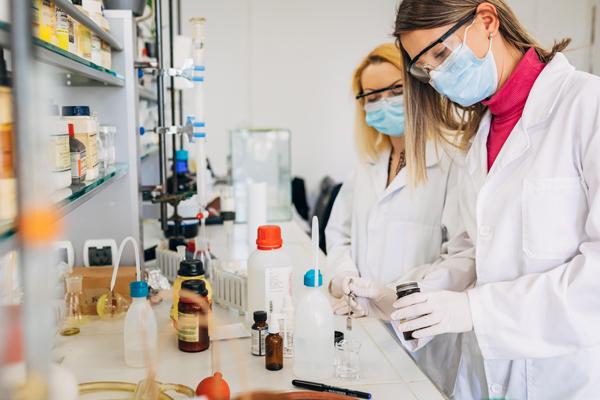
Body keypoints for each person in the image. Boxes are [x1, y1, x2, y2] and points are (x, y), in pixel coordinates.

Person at [390, 1, 600, 399]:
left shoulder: (587, 105)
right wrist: (407, 297)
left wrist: (476, 311)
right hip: (484, 378)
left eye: (441, 53)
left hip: (562, 380)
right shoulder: (480, 136)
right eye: (425, 67)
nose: (436, 76)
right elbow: (477, 251)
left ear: (487, 21)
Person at [325, 43, 473, 395]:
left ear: (420, 88)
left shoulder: (454, 159)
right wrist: (344, 277)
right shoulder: (367, 164)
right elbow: (338, 234)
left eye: (395, 90)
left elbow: (464, 256)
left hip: (424, 336)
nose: (383, 102)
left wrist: (398, 296)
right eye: (372, 95)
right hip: (363, 329)